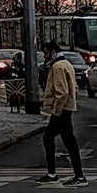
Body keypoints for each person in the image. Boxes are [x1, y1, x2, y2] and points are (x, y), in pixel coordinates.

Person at [41, 50, 86, 185]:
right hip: (68, 108)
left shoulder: (57, 67)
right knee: (69, 142)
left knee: (50, 138)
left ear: (53, 53)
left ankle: (55, 174)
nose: (44, 56)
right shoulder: (67, 64)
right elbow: (75, 88)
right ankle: (77, 175)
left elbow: (62, 92)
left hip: (62, 110)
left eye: (46, 53)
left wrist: (56, 110)